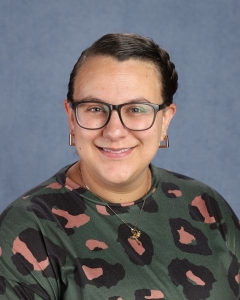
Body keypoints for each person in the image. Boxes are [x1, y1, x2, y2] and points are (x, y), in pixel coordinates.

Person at [0, 33, 239, 300]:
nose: (114, 131)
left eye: (136, 109)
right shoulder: (29, 228)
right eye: (94, 108)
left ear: (165, 121)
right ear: (71, 118)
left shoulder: (206, 205)